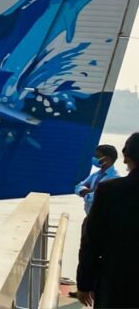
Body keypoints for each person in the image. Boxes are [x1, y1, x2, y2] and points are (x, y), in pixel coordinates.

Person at [77, 132, 139, 308]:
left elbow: (91, 240)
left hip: (116, 283)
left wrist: (84, 283)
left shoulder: (110, 191)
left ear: (126, 156)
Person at [76, 144, 119, 215]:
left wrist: (87, 194)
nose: (94, 158)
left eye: (97, 156)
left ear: (107, 159)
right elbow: (77, 186)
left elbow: (100, 197)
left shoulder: (115, 178)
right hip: (89, 216)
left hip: (104, 218)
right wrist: (83, 191)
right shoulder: (95, 174)